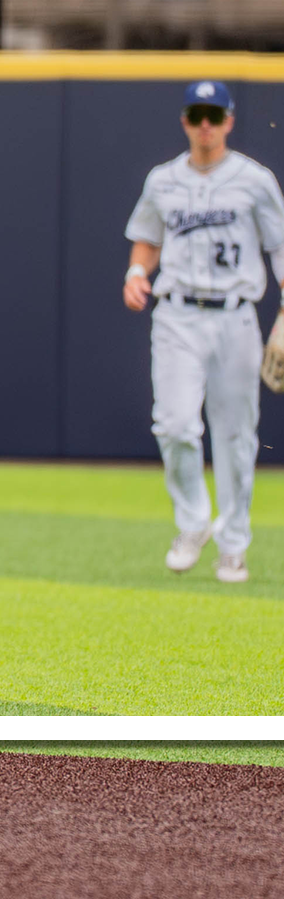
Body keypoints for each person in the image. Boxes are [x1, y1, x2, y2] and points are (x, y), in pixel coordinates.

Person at [124, 80, 284, 584]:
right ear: (185, 122)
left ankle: (233, 544)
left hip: (236, 315)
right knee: (173, 424)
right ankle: (193, 523)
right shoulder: (162, 180)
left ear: (230, 121)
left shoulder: (255, 181)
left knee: (236, 436)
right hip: (177, 314)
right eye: (198, 115)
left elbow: (280, 250)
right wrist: (136, 273)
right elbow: (146, 238)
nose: (207, 125)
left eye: (215, 115)